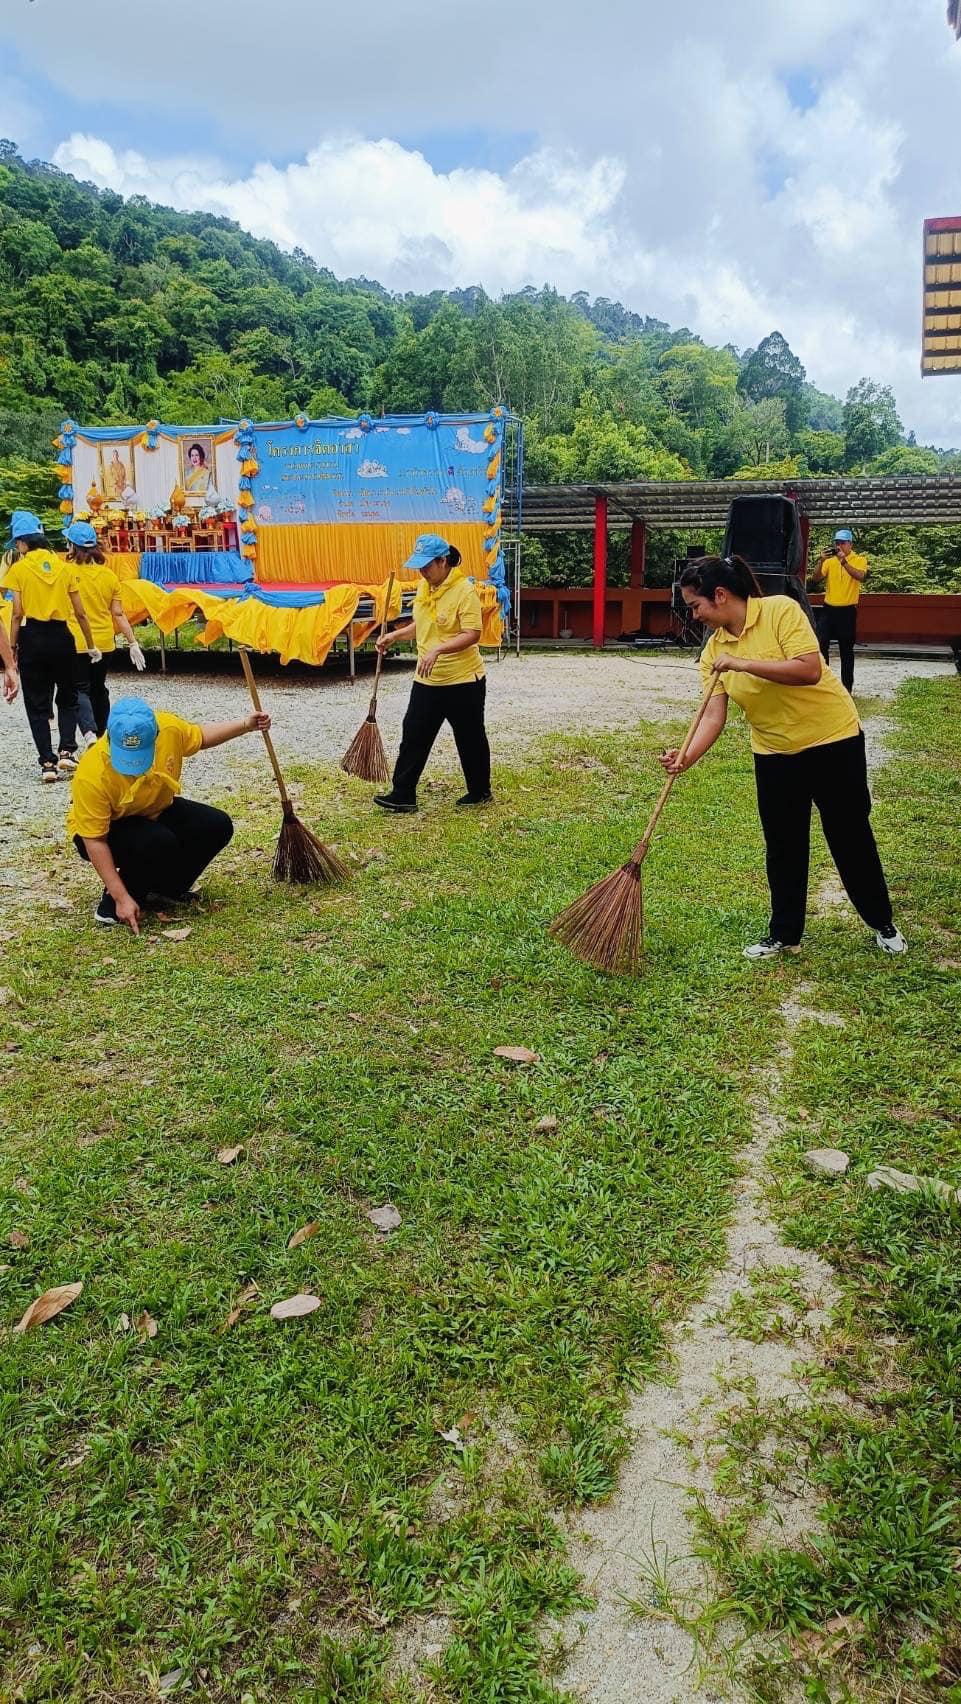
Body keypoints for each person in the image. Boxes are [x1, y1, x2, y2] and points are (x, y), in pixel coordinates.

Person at [659, 555, 906, 961]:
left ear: (719, 595)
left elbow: (808, 669)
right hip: (774, 752)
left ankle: (882, 922)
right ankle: (784, 933)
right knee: (783, 844)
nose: (694, 614)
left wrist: (742, 662)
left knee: (848, 835)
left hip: (832, 740)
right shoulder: (713, 651)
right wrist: (687, 757)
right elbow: (714, 714)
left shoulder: (780, 611)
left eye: (695, 605)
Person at [67, 695, 270, 931]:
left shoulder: (168, 728)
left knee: (216, 825)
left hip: (152, 810)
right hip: (104, 830)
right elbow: (95, 840)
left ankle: (165, 889)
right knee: (157, 841)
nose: (134, 766)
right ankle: (112, 904)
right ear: (109, 738)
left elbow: (201, 737)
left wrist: (246, 724)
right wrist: (121, 897)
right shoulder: (92, 773)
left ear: (156, 736)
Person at [372, 534, 491, 813]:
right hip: (427, 679)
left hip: (463, 680)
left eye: (427, 565)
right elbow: (421, 624)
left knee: (470, 736)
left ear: (443, 560)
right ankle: (402, 794)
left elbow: (473, 633)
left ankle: (479, 791)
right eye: (419, 567)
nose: (423, 572)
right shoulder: (425, 588)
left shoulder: (465, 591)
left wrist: (438, 650)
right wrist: (394, 635)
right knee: (413, 733)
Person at [2, 510, 98, 782]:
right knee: (67, 695)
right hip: (61, 637)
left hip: (33, 636)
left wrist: (13, 647)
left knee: (36, 702)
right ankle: (67, 750)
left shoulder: (19, 569)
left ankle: (47, 763)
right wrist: (90, 643)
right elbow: (80, 612)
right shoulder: (64, 567)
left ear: (21, 542)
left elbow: (17, 613)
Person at [63, 519, 147, 743]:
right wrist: (132, 642)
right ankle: (103, 734)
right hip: (105, 642)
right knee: (99, 688)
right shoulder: (109, 576)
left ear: (72, 546)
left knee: (80, 688)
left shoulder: (66, 573)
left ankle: (89, 732)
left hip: (77, 641)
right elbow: (118, 614)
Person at [810, 528, 868, 693]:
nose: (839, 546)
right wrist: (821, 560)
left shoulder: (859, 559)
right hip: (829, 609)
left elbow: (860, 576)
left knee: (846, 650)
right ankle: (824, 684)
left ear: (850, 544)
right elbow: (815, 579)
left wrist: (844, 562)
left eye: (842, 543)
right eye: (837, 543)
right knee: (821, 643)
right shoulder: (830, 561)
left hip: (847, 610)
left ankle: (846, 689)